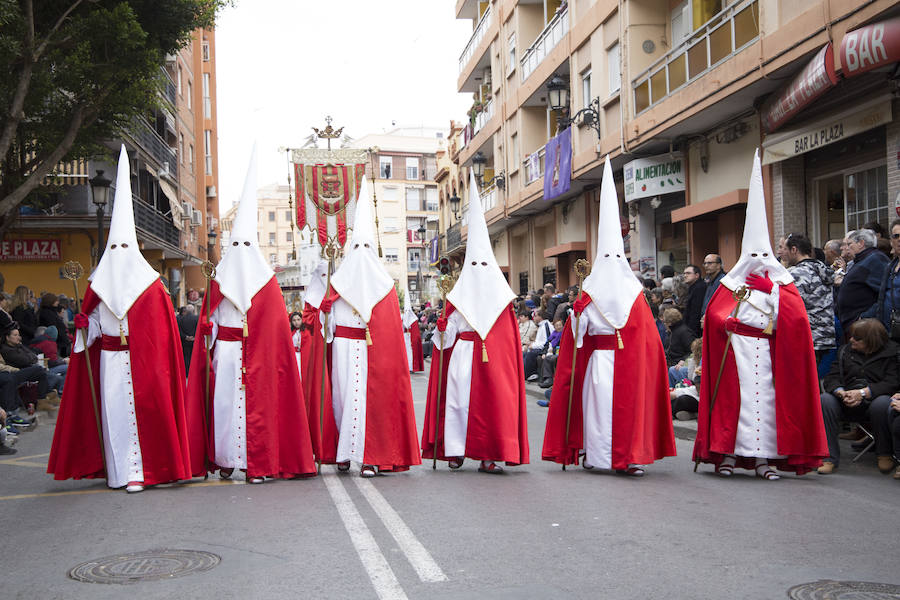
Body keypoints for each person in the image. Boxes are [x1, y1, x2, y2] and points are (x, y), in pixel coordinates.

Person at [48, 145, 196, 493]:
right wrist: (86, 327)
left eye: (123, 248)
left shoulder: (153, 288)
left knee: (145, 416)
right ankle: (118, 471)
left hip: (146, 366)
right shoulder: (97, 286)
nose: (118, 255)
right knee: (114, 415)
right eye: (113, 249)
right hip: (111, 363)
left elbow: (162, 336)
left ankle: (146, 470)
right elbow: (95, 331)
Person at [693, 151, 827, 480]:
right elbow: (711, 316)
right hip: (734, 351)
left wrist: (773, 291)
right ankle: (727, 455)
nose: (756, 259)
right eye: (751, 254)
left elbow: (796, 320)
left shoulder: (781, 282)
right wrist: (726, 324)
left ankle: (764, 459)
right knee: (733, 405)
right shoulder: (731, 282)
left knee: (764, 405)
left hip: (766, 353)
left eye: (762, 254)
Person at [185, 147, 316, 484]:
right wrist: (206, 331)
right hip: (227, 354)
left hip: (258, 356)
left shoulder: (268, 284)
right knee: (225, 407)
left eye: (247, 246)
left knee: (259, 409)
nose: (242, 255)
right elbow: (209, 324)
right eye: (237, 246)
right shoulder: (218, 280)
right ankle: (227, 459)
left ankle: (258, 461)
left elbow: (276, 330)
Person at [542, 157, 675, 476]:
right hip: (600, 362)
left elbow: (649, 340)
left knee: (629, 409)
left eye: (619, 257)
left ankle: (628, 456)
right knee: (598, 409)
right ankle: (598, 455)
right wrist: (577, 314)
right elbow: (579, 336)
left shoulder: (635, 295)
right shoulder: (589, 295)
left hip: (629, 365)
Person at [421, 172, 529, 474]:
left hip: (492, 364)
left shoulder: (501, 303)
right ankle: (455, 451)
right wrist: (442, 330)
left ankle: (489, 454)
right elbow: (446, 339)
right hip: (462, 359)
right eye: (476, 265)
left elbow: (508, 344)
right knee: (457, 405)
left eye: (485, 265)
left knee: (493, 408)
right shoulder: (459, 301)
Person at [321, 176, 420, 478]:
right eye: (358, 245)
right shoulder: (336, 283)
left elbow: (390, 331)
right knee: (341, 398)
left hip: (371, 353)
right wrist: (324, 313)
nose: (363, 251)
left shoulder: (385, 286)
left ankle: (369, 455)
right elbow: (327, 331)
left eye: (368, 246)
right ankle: (342, 452)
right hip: (341, 349)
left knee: (369, 404)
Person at [818, 319, 898, 475]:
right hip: (845, 398)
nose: (851, 340)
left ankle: (884, 453)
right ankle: (829, 457)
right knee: (825, 400)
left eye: (857, 338)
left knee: (883, 403)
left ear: (871, 341)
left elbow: (892, 382)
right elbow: (831, 377)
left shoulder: (892, 353)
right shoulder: (845, 351)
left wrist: (864, 393)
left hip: (874, 400)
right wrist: (840, 392)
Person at [299, 260, 337, 465]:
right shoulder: (310, 302)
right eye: (322, 276)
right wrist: (322, 314)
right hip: (318, 353)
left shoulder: (337, 295)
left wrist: (329, 314)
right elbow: (309, 328)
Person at [784, 232, 836, 365]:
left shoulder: (796, 274)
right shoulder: (823, 268)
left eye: (786, 249)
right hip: (826, 336)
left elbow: (790, 307)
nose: (784, 254)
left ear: (794, 249)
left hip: (807, 338)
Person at [836, 229, 888, 334]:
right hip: (854, 325)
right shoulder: (863, 260)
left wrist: (864, 318)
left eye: (850, 244)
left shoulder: (875, 260)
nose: (847, 248)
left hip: (864, 328)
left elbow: (885, 293)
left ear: (861, 243)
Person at [866, 219, 900, 342]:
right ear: (891, 241)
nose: (899, 239)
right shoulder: (890, 267)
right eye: (896, 236)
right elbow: (882, 298)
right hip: (888, 333)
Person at [37, 293, 71, 359]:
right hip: (56, 341)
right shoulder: (47, 313)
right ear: (51, 301)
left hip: (59, 340)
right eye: (56, 300)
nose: (58, 302)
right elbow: (53, 326)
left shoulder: (51, 311)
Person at [400, 283, 424, 373]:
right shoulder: (402, 318)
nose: (406, 312)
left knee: (410, 353)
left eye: (408, 311)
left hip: (410, 339)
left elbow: (416, 333)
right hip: (404, 337)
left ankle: (411, 367)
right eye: (405, 311)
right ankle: (405, 367)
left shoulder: (413, 319)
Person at [524, 311, 552, 380]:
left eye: (536, 316)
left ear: (540, 317)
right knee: (524, 353)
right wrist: (532, 344)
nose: (534, 318)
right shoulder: (541, 326)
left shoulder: (546, 325)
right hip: (540, 347)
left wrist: (533, 346)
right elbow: (539, 341)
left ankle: (527, 374)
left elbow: (547, 341)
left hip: (545, 349)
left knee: (530, 354)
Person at [681, 265, 706, 336]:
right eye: (684, 273)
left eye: (688, 273)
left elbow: (696, 311)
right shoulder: (692, 287)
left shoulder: (699, 287)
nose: (685, 275)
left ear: (697, 275)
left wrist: (691, 332)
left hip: (695, 330)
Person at [538, 319, 564, 388]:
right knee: (540, 358)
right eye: (557, 326)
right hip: (550, 351)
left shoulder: (564, 334)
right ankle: (543, 379)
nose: (558, 327)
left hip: (559, 353)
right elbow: (547, 344)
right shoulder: (553, 335)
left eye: (560, 325)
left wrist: (552, 351)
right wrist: (544, 352)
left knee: (549, 358)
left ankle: (549, 379)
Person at [176, 304, 198, 375]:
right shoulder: (197, 318)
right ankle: (193, 372)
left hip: (185, 341)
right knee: (194, 356)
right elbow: (198, 329)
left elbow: (179, 330)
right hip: (194, 341)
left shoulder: (181, 319)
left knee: (186, 356)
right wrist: (194, 336)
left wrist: (186, 337)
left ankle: (186, 372)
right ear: (193, 310)